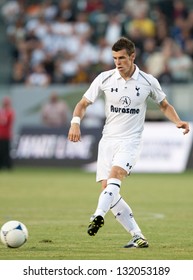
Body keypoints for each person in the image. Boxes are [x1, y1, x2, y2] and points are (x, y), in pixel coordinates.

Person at [68, 37, 190, 248]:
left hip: (130, 141)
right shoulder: (105, 78)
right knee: (109, 190)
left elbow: (164, 105)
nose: (118, 62)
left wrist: (178, 121)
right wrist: (75, 123)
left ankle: (97, 215)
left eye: (122, 58)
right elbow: (82, 103)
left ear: (132, 57)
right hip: (107, 141)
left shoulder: (148, 81)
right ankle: (137, 235)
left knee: (115, 177)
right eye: (115, 58)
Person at [0, 96, 15, 170]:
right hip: (0, 134)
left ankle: (8, 166)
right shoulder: (1, 112)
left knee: (6, 151)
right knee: (1, 151)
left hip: (6, 135)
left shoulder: (10, 112)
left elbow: (5, 122)